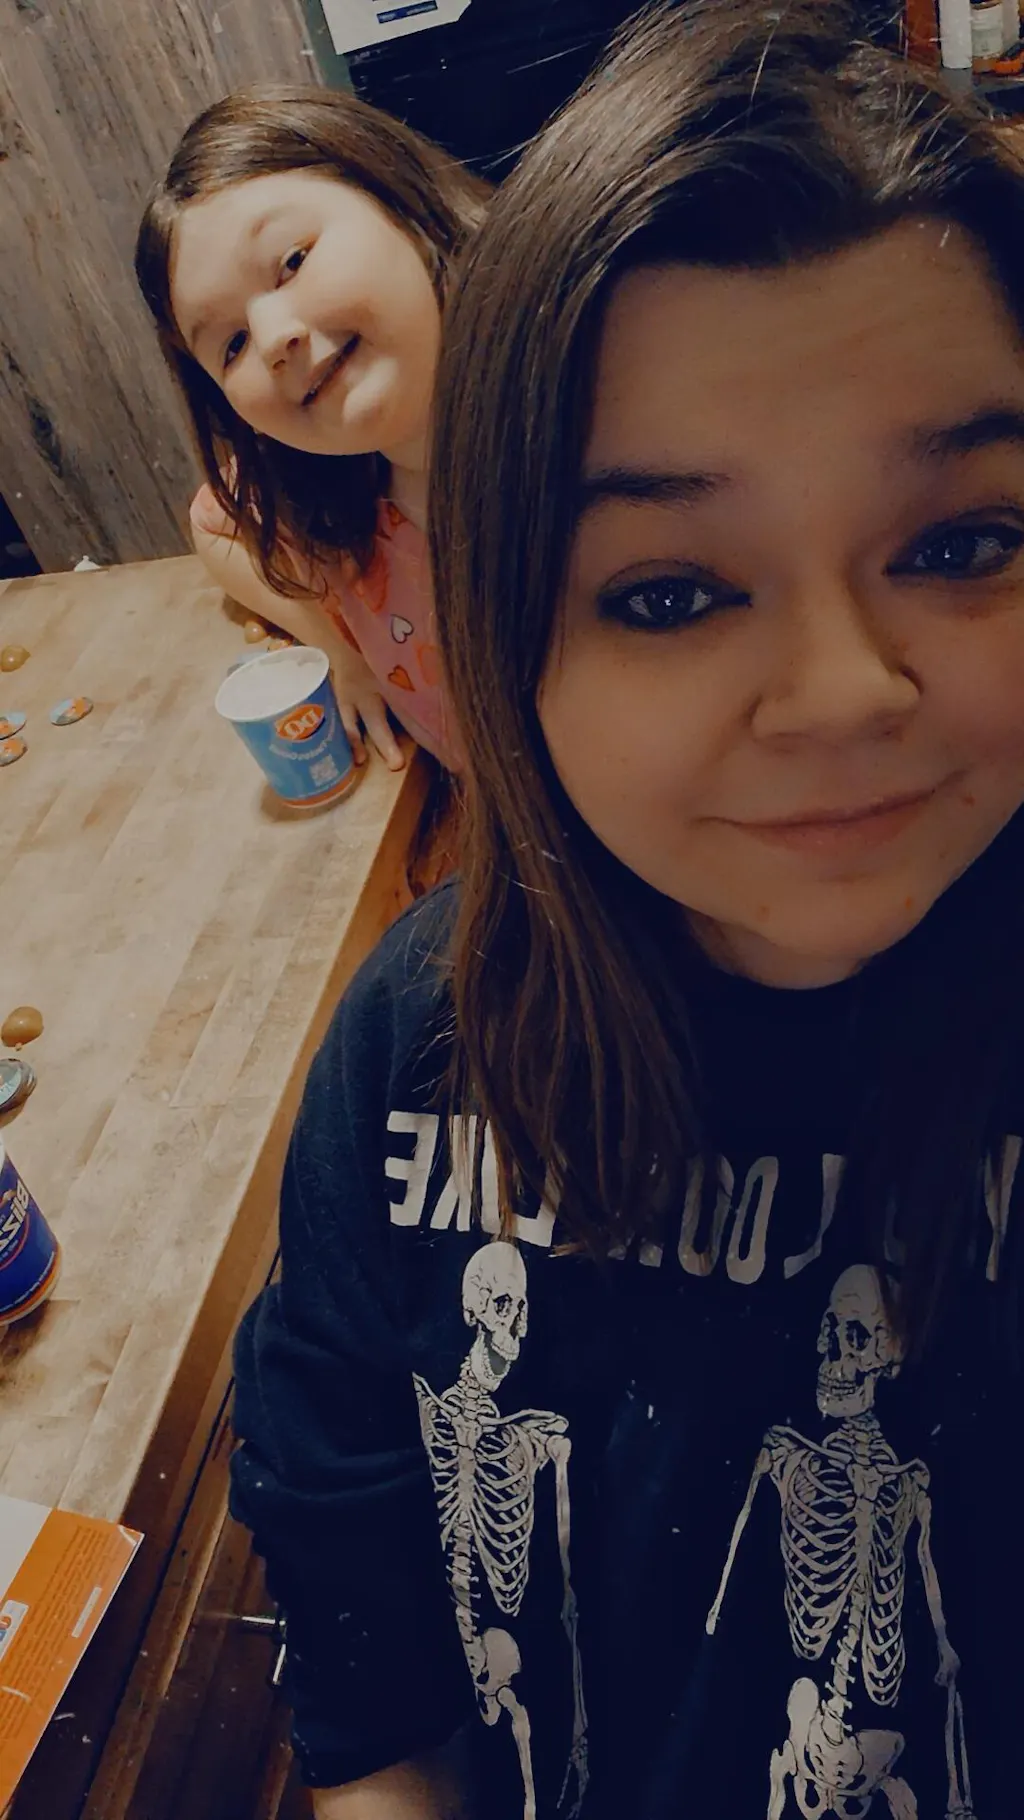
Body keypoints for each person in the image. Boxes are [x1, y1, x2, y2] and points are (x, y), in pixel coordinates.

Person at [230, 3, 1024, 1816]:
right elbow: (371, 1692)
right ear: (509, 638)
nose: (842, 691)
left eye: (962, 544)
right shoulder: (414, 1049)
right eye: (668, 592)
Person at [135, 86, 487, 771]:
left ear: (400, 201)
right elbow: (212, 527)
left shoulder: (609, 427)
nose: (273, 338)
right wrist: (335, 647)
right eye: (232, 345)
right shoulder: (331, 502)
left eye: (293, 261)